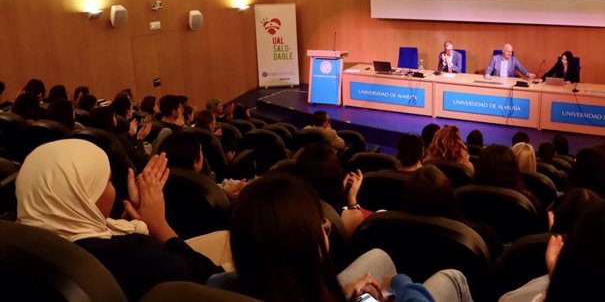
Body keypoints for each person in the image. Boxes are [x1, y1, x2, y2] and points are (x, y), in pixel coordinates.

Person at [209, 173, 473, 302]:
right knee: (452, 277)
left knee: (378, 256)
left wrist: (344, 293)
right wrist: (401, 283)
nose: (326, 227)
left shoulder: (219, 284)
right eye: (321, 227)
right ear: (308, 245)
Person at [15, 140, 221, 301]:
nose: (113, 188)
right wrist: (159, 225)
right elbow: (211, 280)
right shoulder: (134, 253)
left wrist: (129, 219)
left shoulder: (22, 243)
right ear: (83, 197)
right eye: (108, 181)